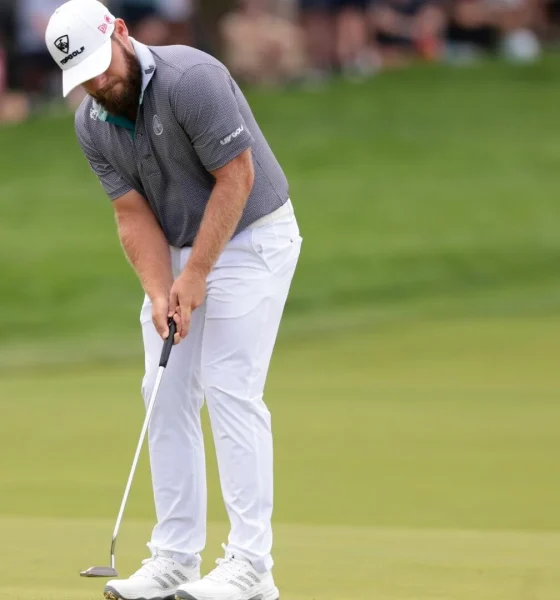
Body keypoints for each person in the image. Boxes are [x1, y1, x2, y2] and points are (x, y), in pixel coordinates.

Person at [45, 1, 302, 599]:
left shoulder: (193, 79)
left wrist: (199, 273)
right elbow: (131, 214)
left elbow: (236, 177)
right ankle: (176, 558)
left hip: (253, 234)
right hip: (178, 244)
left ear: (121, 33)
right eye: (82, 76)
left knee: (228, 384)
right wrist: (162, 291)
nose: (96, 83)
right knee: (162, 391)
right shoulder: (91, 122)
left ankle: (251, 567)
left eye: (100, 67)